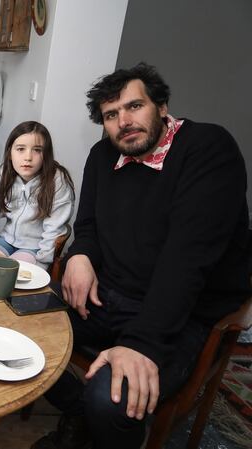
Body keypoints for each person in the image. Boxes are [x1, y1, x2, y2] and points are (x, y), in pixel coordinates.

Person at [32, 63, 251, 449]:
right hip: (106, 297)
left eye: (134, 106)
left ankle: (96, 425)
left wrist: (142, 343)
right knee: (12, 322)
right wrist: (81, 255)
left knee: (110, 400)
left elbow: (187, 261)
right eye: (111, 115)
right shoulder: (102, 155)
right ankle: (78, 412)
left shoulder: (208, 149)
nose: (123, 122)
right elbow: (88, 225)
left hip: (181, 314)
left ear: (161, 106)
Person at [0, 121, 74, 269]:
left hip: (35, 247)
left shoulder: (57, 181)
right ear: (10, 153)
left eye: (37, 150)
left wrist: (41, 262)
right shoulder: (3, 174)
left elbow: (54, 228)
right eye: (21, 149)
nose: (28, 157)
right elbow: (4, 205)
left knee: (8, 272)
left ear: (46, 155)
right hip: (6, 240)